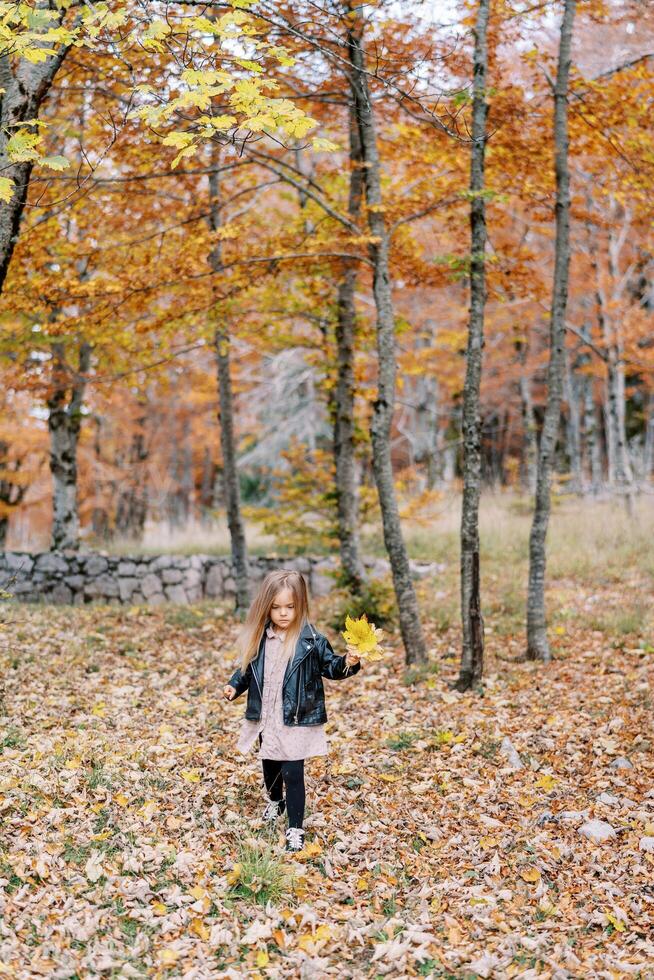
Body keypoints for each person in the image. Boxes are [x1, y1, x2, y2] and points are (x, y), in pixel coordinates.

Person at [223, 569, 362, 853]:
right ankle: (276, 801)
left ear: (301, 605)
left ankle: (295, 828)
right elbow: (247, 669)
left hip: (296, 718)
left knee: (293, 771)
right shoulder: (261, 638)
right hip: (267, 716)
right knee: (270, 763)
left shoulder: (312, 640)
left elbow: (331, 668)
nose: (283, 613)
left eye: (290, 607)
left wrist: (349, 661)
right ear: (266, 607)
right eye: (276, 608)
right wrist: (234, 686)